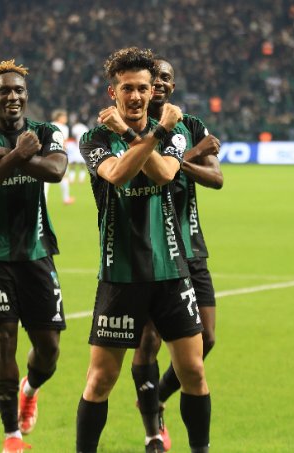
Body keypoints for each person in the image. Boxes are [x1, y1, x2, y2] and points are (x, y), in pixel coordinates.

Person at [76, 47, 211, 453]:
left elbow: (166, 172)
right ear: (112, 92)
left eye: (142, 88)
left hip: (171, 272)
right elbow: (118, 174)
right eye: (127, 89)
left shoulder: (176, 130)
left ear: (153, 91)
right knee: (100, 379)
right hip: (120, 275)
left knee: (193, 372)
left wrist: (134, 133)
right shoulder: (95, 137)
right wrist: (146, 135)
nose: (135, 96)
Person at [0, 60, 69, 453]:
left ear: (27, 95)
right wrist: (16, 155)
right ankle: (12, 435)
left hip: (37, 252)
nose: (12, 96)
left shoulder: (46, 132)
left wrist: (5, 154)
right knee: (3, 341)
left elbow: (55, 171)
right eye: (4, 90)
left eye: (18, 90)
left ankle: (30, 390)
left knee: (49, 349)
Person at [130, 58, 223, 451]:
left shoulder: (193, 126)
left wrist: (184, 160)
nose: (160, 83)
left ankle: (156, 396)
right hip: (154, 251)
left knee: (207, 339)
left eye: (166, 78)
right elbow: (149, 175)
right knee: (148, 340)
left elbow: (216, 177)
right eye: (154, 78)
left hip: (192, 248)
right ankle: (153, 430)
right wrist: (192, 156)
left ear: (173, 84)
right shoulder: (135, 127)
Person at [45, 109, 74, 205]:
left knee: (46, 178)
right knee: (64, 176)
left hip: (47, 154)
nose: (66, 118)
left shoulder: (48, 125)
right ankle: (66, 198)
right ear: (59, 117)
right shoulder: (64, 128)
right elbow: (64, 143)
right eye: (64, 116)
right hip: (59, 155)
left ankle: (44, 200)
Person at [68, 119, 89, 184]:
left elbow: (73, 137)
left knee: (72, 164)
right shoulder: (85, 127)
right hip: (84, 147)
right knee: (82, 165)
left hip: (76, 147)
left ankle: (71, 179)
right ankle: (81, 179)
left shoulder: (75, 127)